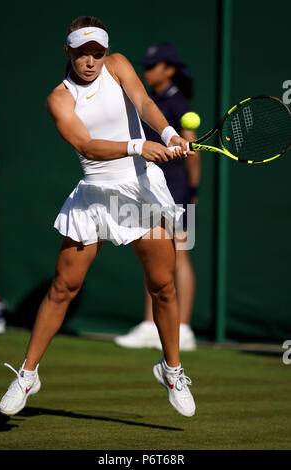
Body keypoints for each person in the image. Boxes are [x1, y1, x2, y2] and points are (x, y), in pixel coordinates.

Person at [0, 16, 196, 418]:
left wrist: (170, 134)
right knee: (63, 288)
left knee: (163, 286)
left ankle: (172, 369)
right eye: (82, 53)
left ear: (106, 53)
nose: (90, 61)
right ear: (68, 53)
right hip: (94, 197)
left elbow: (143, 102)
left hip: (139, 192)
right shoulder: (60, 97)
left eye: (97, 53)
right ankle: (27, 374)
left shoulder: (119, 65)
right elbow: (87, 146)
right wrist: (138, 146)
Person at [115, 43, 200, 351]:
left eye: (153, 66)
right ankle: (151, 324)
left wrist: (193, 192)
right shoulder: (151, 99)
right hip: (152, 187)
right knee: (154, 254)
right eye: (146, 66)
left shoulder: (178, 103)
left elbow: (193, 152)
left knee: (180, 253)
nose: (147, 71)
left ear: (169, 70)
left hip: (177, 190)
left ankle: (185, 328)